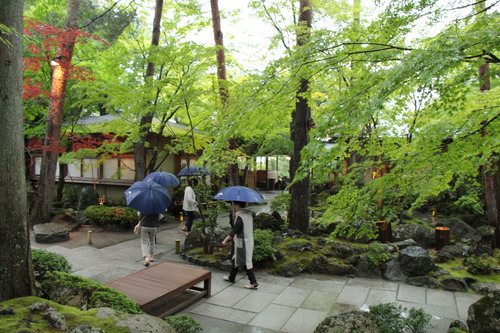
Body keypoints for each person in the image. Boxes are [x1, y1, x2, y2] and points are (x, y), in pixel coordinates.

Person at [221, 201, 258, 290]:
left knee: (245, 261)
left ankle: (253, 282)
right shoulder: (249, 214)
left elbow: (235, 231)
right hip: (248, 240)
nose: (233, 206)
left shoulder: (241, 216)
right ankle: (231, 278)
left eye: (234, 205)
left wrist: (224, 241)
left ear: (237, 205)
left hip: (243, 242)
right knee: (236, 258)